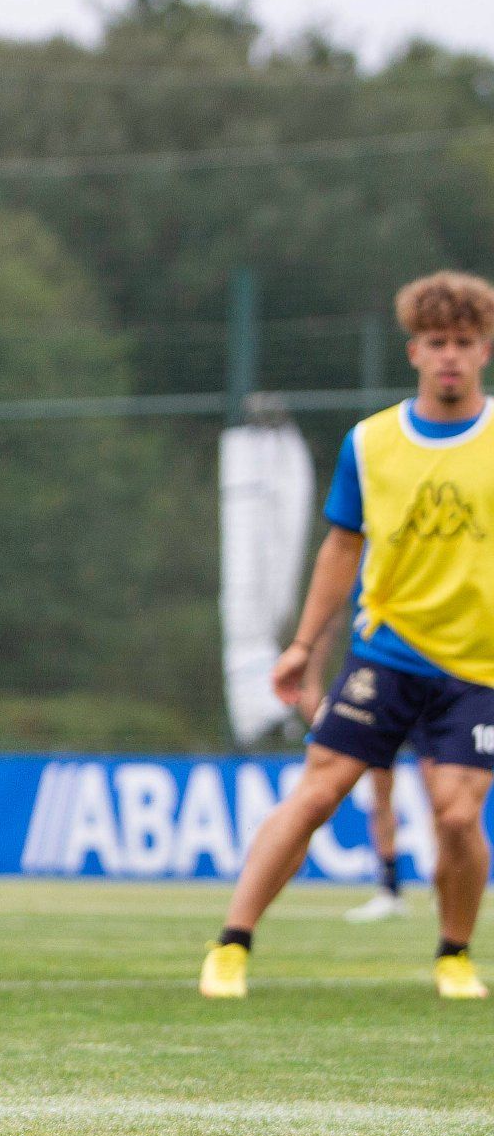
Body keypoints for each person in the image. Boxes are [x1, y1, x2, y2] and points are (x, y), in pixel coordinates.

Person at [202, 271, 494, 1001]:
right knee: (317, 794)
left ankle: (454, 953)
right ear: (414, 351)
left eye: (463, 342)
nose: (450, 355)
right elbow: (340, 548)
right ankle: (231, 944)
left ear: (484, 350)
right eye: (436, 342)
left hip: (478, 665)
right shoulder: (370, 443)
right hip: (387, 654)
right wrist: (302, 646)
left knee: (459, 814)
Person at [296, 607, 415, 922]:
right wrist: (312, 681)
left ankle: (447, 890)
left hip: (439, 675)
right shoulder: (364, 582)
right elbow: (330, 618)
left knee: (444, 788)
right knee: (380, 788)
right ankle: (389, 890)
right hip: (384, 673)